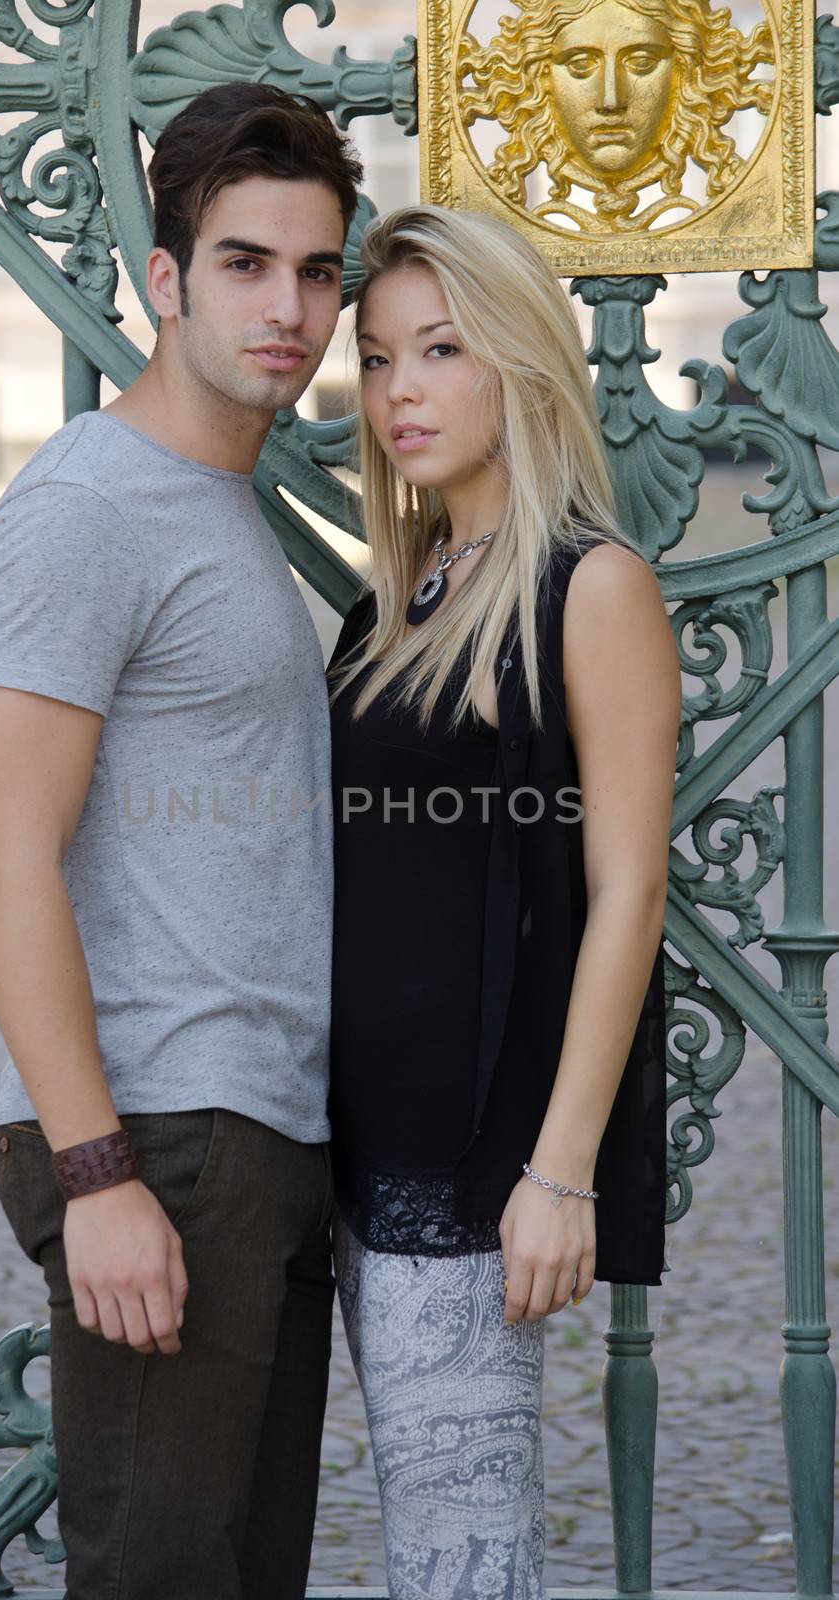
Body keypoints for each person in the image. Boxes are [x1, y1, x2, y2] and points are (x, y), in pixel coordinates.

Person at [0, 84, 362, 1600]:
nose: (292, 309)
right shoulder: (90, 506)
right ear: (165, 278)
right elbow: (7, 857)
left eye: (318, 272)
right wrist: (98, 1174)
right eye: (247, 264)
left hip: (254, 1138)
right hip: (160, 1141)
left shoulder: (215, 505)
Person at [325, 204, 681, 1599]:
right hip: (354, 1154)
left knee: (465, 1557)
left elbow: (629, 886)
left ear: (524, 363)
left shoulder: (591, 586)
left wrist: (560, 1171)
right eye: (376, 357)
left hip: (478, 1176)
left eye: (442, 349)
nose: (400, 389)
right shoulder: (394, 604)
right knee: (424, 1535)